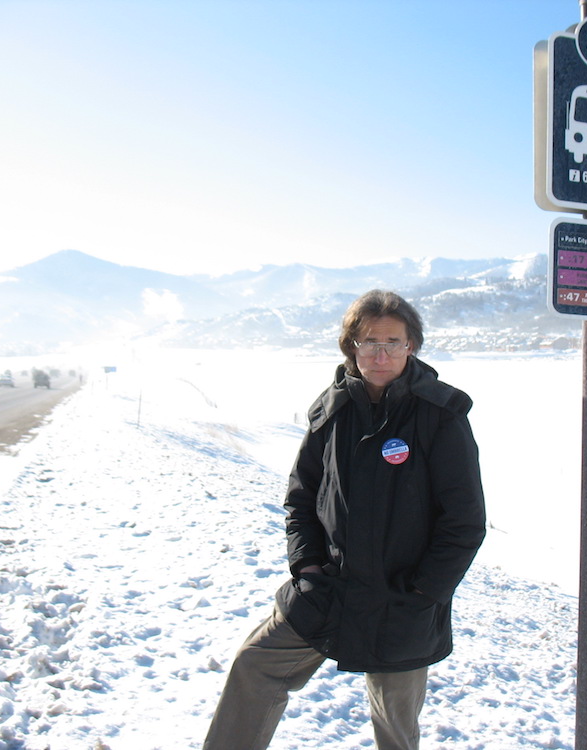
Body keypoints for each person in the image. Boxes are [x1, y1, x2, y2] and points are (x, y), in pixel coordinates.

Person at [203, 289, 486, 750]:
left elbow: (465, 521)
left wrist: (424, 592)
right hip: (328, 592)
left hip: (403, 602)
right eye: (368, 341)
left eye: (392, 341)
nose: (380, 353)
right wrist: (307, 569)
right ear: (350, 346)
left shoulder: (439, 415)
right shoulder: (332, 410)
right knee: (255, 667)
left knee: (395, 725)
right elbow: (301, 499)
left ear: (411, 345)